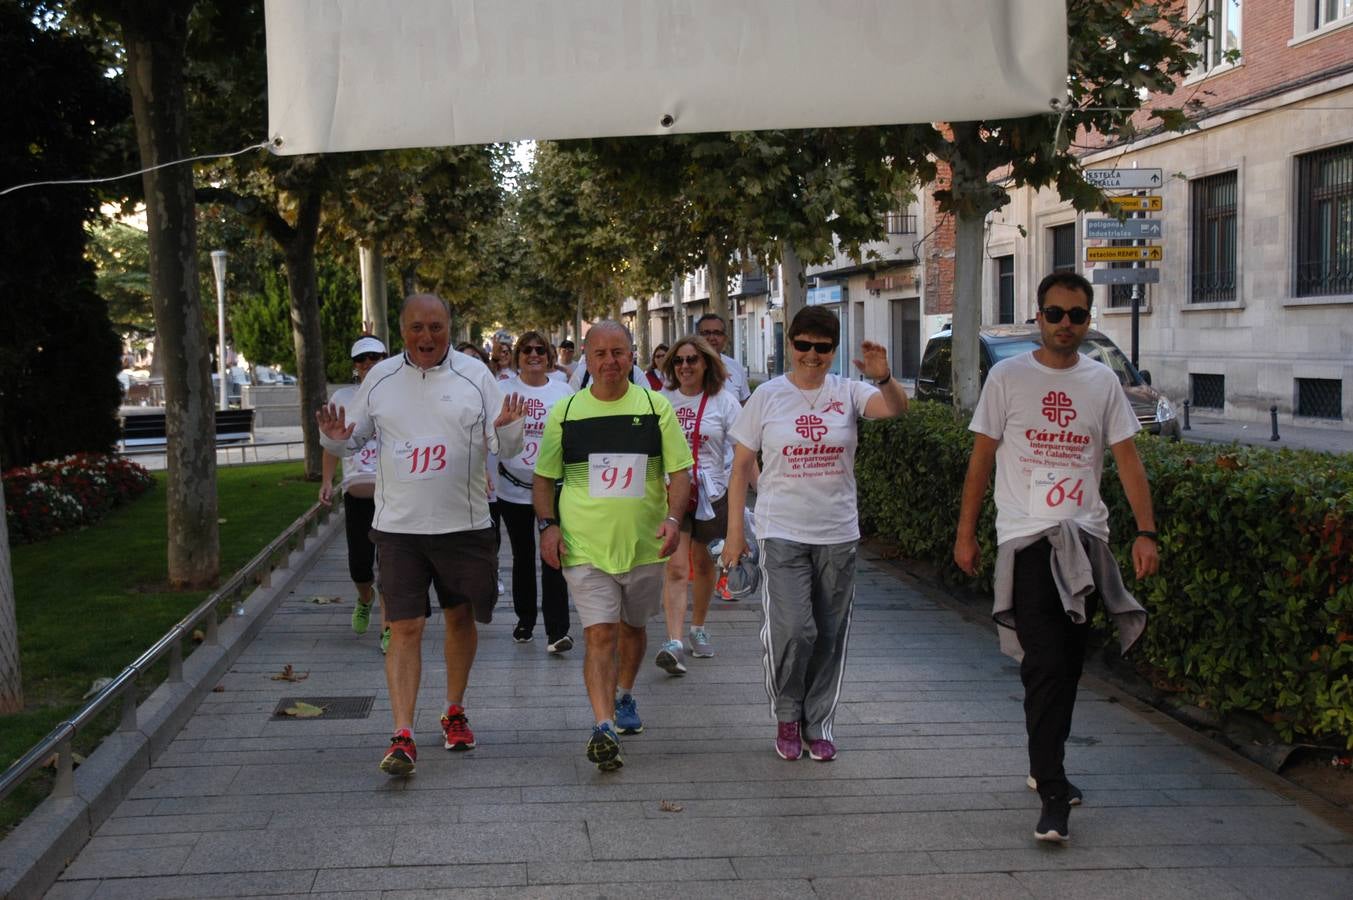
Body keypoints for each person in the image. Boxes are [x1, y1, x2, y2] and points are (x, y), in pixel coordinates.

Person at [953, 271, 1158, 844]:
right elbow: (981, 460)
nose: (1065, 324)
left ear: (1088, 320)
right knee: (1044, 663)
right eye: (1055, 313)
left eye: (1077, 315)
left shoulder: (1102, 382)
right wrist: (966, 534)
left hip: (1085, 541)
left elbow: (1128, 460)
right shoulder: (1007, 377)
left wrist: (1146, 532)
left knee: (1066, 664)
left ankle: (1046, 764)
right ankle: (1052, 790)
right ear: (1038, 316)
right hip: (1027, 540)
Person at [317, 294, 526, 777]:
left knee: (460, 618)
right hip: (399, 529)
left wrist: (511, 431)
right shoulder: (381, 378)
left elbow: (503, 443)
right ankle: (402, 733)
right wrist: (333, 438)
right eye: (417, 328)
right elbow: (353, 438)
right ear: (402, 331)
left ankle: (454, 710)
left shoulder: (476, 377)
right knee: (404, 626)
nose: (426, 337)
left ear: (449, 327)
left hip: (464, 525)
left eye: (436, 327)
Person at [721, 305, 907, 763]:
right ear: (790, 344)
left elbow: (894, 409)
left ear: (833, 350)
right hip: (780, 529)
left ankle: (818, 722)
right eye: (803, 344)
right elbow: (741, 467)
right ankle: (788, 714)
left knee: (829, 632)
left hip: (837, 531)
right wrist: (735, 534)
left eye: (822, 348)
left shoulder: (849, 391)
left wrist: (885, 378)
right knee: (794, 630)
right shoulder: (767, 396)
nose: (812, 355)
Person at [533, 321, 692, 772]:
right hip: (584, 546)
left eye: (618, 352)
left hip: (644, 547)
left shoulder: (655, 406)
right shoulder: (566, 412)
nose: (609, 362)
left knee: (633, 628)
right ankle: (603, 726)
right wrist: (548, 526)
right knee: (599, 634)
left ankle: (624, 695)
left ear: (632, 355)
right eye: (600, 354)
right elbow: (543, 479)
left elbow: (679, 472)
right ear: (586, 358)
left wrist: (674, 520)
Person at [654, 336, 742, 674]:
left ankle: (698, 627)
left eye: (692, 360)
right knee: (676, 568)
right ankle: (674, 642)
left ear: (706, 363)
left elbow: (744, 451)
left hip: (712, 494)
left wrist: (763, 489)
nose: (685, 366)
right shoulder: (662, 401)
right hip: (672, 494)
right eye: (678, 361)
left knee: (704, 566)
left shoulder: (724, 402)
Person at [499, 332, 574, 651]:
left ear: (549, 356)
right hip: (512, 488)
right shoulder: (502, 390)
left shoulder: (562, 391)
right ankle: (525, 620)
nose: (534, 355)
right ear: (518, 356)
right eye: (527, 350)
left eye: (540, 350)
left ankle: (558, 631)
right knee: (522, 556)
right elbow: (492, 439)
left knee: (554, 554)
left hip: (552, 489)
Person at [319, 335, 391, 654]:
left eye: (374, 357)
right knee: (360, 567)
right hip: (357, 492)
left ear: (385, 358)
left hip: (394, 494)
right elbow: (331, 442)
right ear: (354, 366)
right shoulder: (344, 398)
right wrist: (326, 481)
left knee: (390, 566)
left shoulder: (400, 394)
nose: (368, 363)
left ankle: (389, 628)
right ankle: (365, 598)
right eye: (362, 359)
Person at [695, 313, 751, 403]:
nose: (712, 338)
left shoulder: (736, 367)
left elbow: (745, 405)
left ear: (725, 338)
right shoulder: (685, 368)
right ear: (697, 337)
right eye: (706, 333)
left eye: (717, 333)